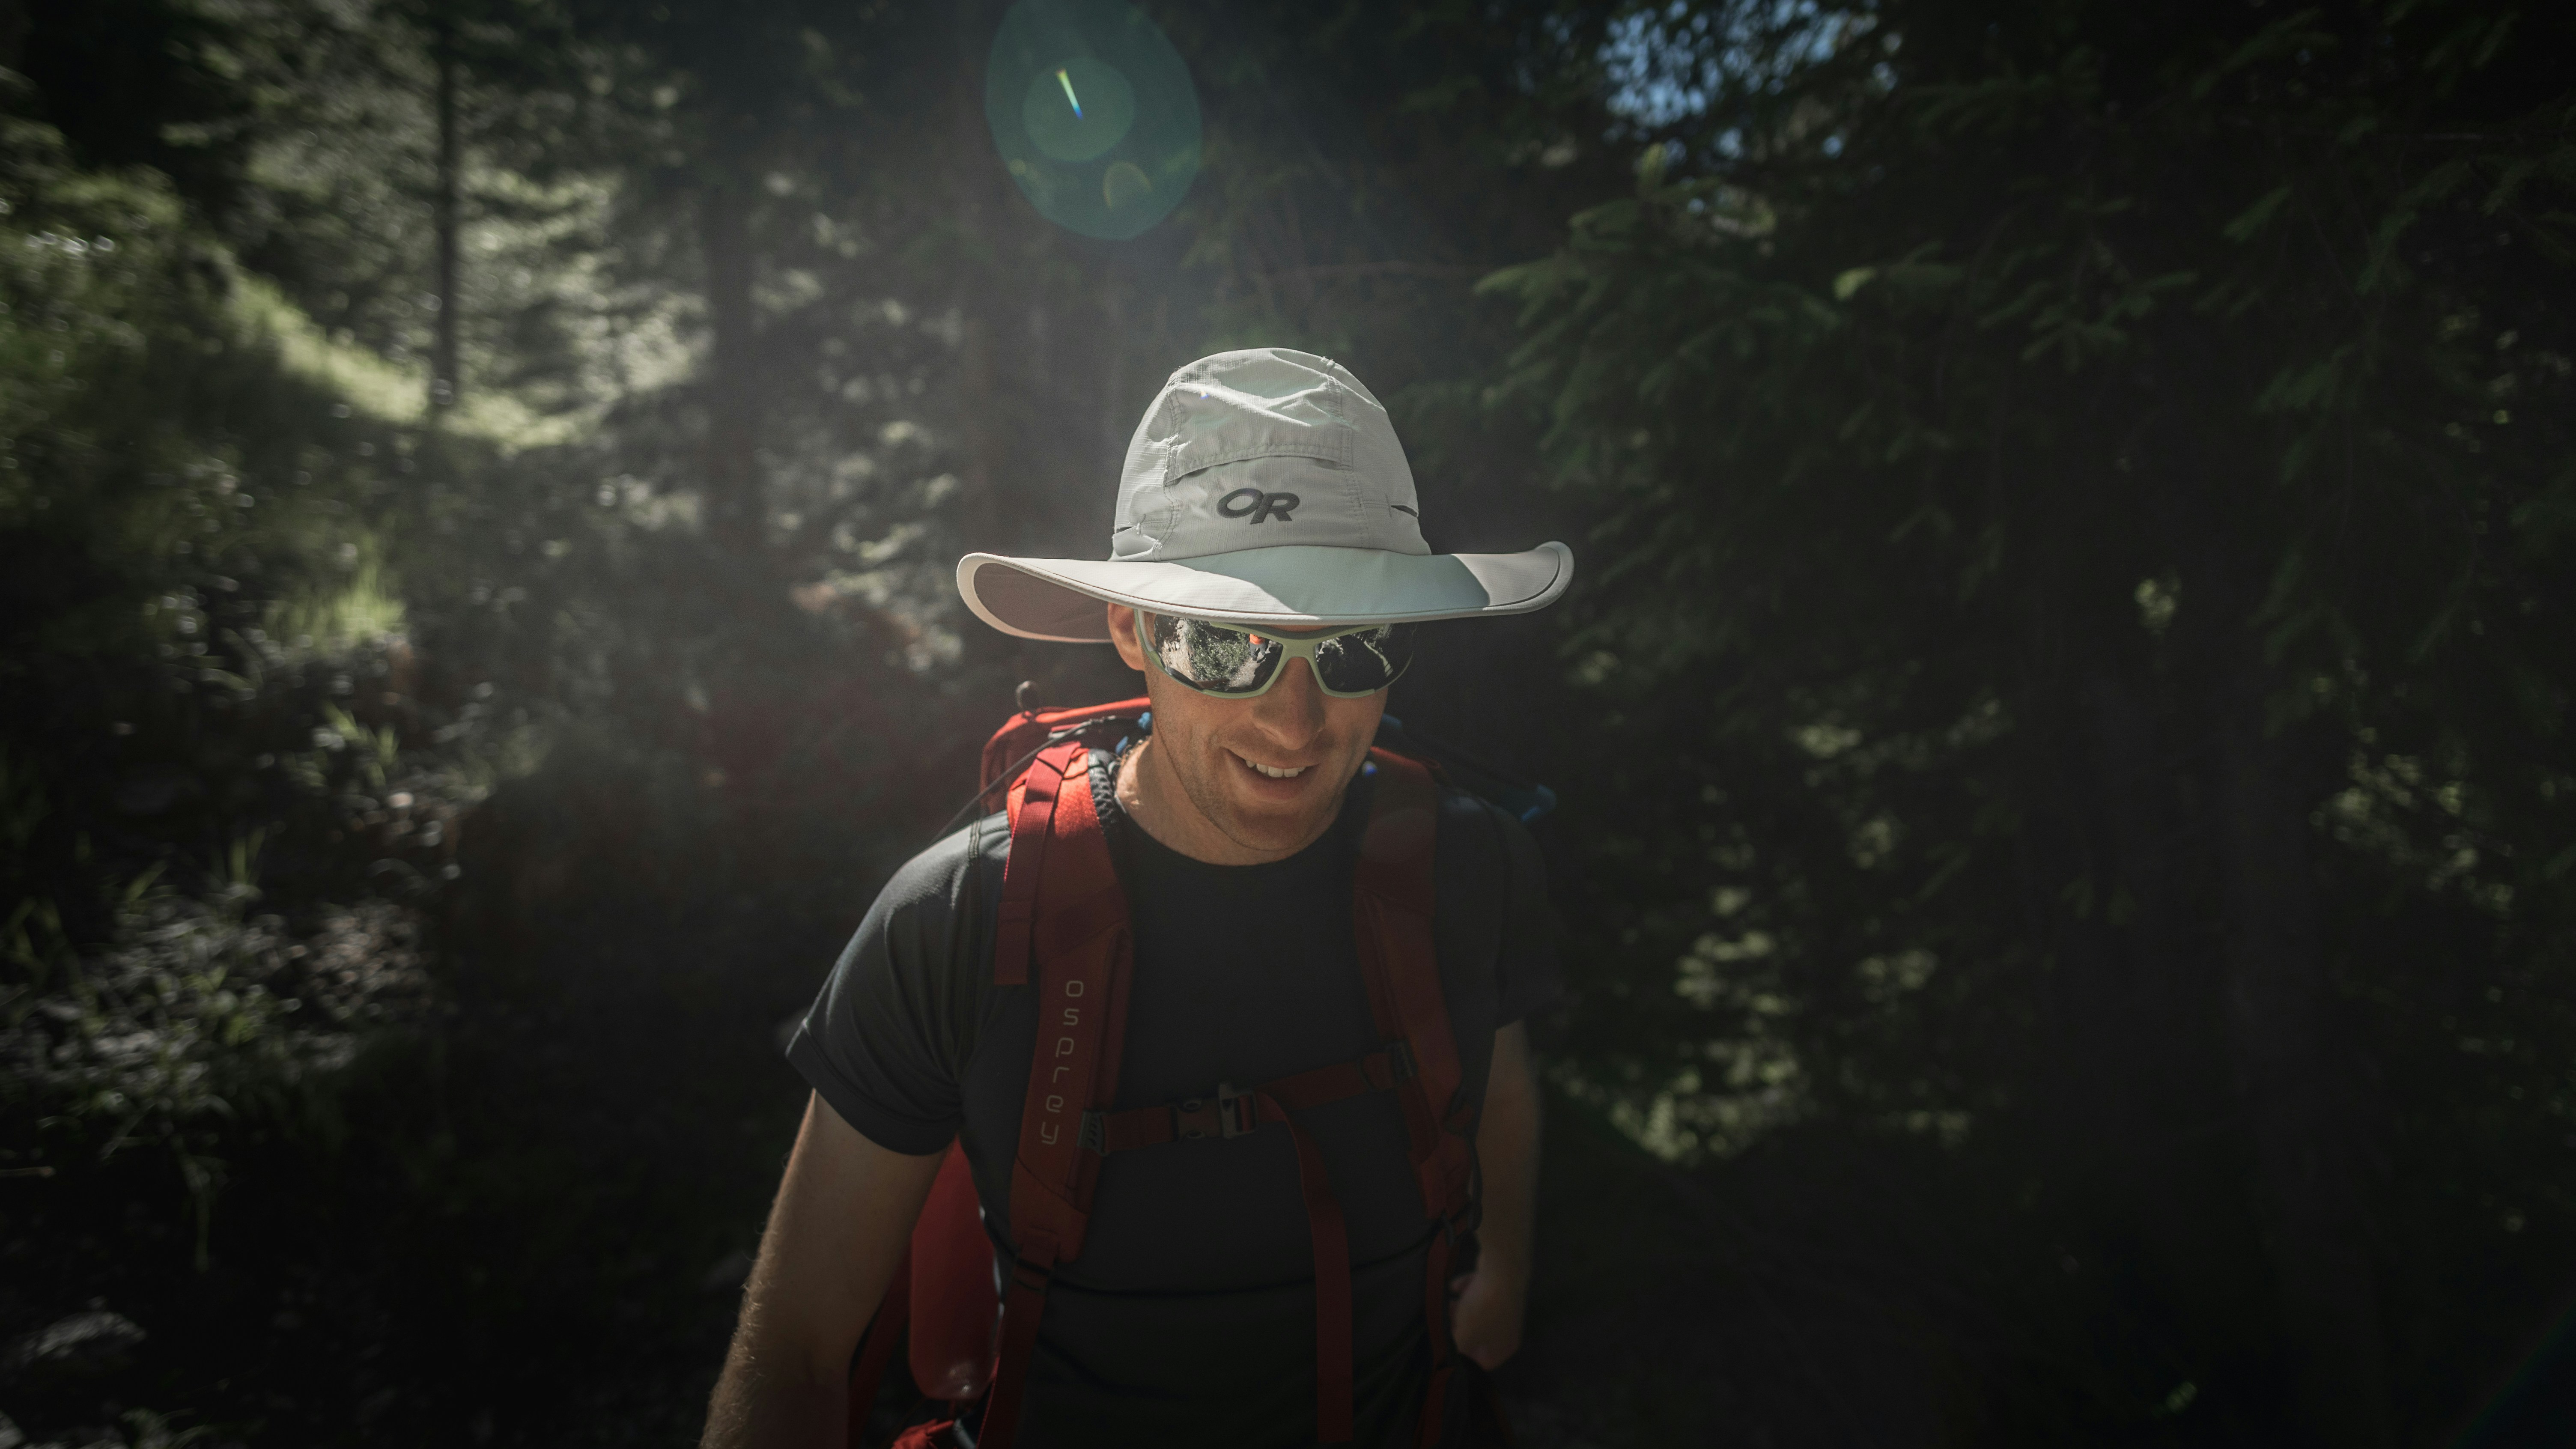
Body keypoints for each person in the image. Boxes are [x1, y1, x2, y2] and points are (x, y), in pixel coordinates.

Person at [702, 348, 1575, 1449]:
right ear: (1133, 634)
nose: (1295, 726)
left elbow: (1498, 1085)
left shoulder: (1468, 867)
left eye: (1351, 650)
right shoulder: (959, 926)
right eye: (1227, 647)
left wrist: (1502, 1269)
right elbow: (794, 1351)